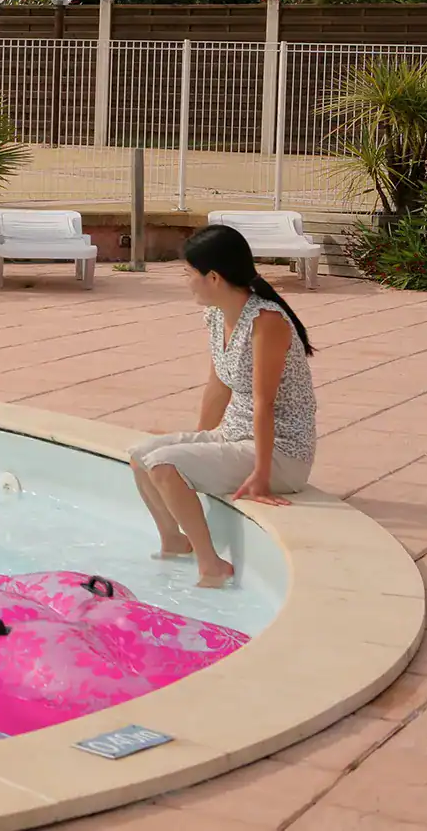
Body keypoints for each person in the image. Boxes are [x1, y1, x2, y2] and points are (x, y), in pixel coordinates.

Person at [129, 224, 319, 589]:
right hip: (234, 435)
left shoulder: (267, 323)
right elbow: (218, 385)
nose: (187, 282)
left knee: (165, 466)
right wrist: (200, 437)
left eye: (189, 274)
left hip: (282, 453)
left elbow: (264, 403)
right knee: (141, 455)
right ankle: (173, 540)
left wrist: (262, 476)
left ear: (213, 277)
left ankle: (211, 564)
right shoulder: (217, 315)